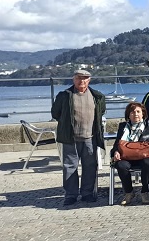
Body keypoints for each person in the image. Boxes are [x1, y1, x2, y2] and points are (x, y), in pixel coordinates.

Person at [52, 69, 106, 206]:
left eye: (85, 78)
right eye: (79, 78)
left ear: (89, 80)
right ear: (73, 79)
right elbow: (55, 113)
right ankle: (71, 195)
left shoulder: (97, 96)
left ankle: (87, 193)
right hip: (71, 138)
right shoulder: (64, 95)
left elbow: (102, 111)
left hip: (90, 137)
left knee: (90, 166)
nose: (82, 81)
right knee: (70, 166)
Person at [111, 103, 149, 205]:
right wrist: (115, 151)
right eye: (132, 112)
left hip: (144, 154)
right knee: (121, 165)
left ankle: (145, 191)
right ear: (128, 115)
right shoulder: (123, 126)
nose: (135, 114)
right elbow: (117, 143)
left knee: (147, 163)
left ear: (143, 114)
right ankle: (129, 192)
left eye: (138, 112)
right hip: (126, 155)